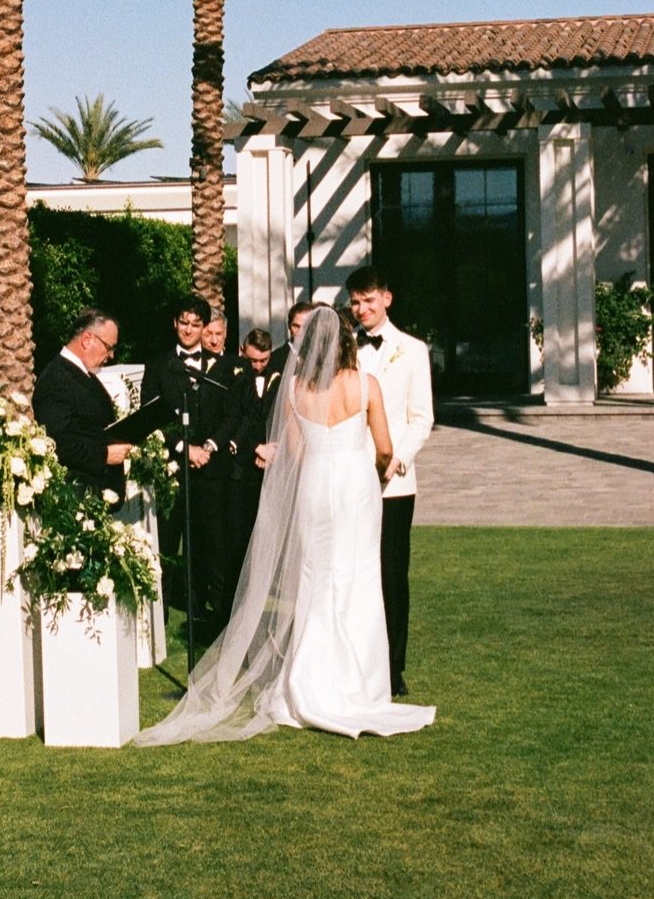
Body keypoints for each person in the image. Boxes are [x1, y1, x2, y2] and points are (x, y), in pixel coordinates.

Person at [135, 306, 436, 745]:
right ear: (347, 343)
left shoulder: (296, 386)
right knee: (358, 579)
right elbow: (386, 448)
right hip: (356, 487)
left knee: (315, 579)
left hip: (315, 485)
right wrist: (371, 468)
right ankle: (362, 686)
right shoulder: (366, 384)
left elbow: (293, 452)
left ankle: (308, 682)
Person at [345, 266, 434, 697]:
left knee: (392, 574)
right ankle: (355, 659)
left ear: (387, 298)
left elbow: (422, 418)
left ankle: (393, 666)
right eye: (356, 302)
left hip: (394, 484)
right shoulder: (345, 350)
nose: (362, 309)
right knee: (351, 569)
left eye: (369, 300)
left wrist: (397, 458)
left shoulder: (413, 350)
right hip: (349, 477)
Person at [143, 297, 234, 627]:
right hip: (173, 469)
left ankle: (211, 615)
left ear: (204, 327)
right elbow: (153, 415)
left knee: (210, 543)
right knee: (167, 544)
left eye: (196, 324)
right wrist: (185, 448)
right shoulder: (158, 365)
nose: (189, 329)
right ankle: (160, 615)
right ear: (175, 324)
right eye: (184, 323)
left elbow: (229, 413)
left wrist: (208, 446)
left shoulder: (219, 365)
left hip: (209, 470)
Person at [32, 308, 129, 493]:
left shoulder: (80, 373)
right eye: (109, 347)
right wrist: (104, 455)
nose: (111, 356)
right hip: (77, 497)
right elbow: (55, 441)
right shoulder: (57, 378)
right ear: (87, 339)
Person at [225, 327, 276, 609]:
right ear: (244, 352)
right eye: (253, 360)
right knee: (239, 538)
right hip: (240, 470)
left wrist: (271, 449)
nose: (257, 366)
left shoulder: (278, 377)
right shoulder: (235, 377)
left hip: (271, 466)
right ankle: (237, 602)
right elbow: (233, 418)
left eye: (263, 361)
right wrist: (255, 447)